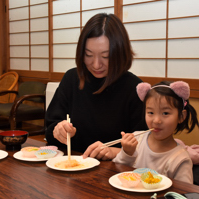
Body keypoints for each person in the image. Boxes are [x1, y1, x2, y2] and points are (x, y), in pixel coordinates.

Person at [45, 13, 147, 160]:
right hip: (71, 166)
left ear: (120, 53)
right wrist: (58, 130)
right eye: (88, 55)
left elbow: (146, 148)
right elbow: (50, 129)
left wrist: (114, 152)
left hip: (116, 176)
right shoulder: (71, 79)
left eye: (105, 56)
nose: (96, 64)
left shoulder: (136, 89)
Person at [112, 81, 199, 184]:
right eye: (151, 113)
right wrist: (127, 153)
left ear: (181, 117)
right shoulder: (136, 139)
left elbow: (185, 193)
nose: (156, 120)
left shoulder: (180, 158)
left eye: (165, 113)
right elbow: (115, 174)